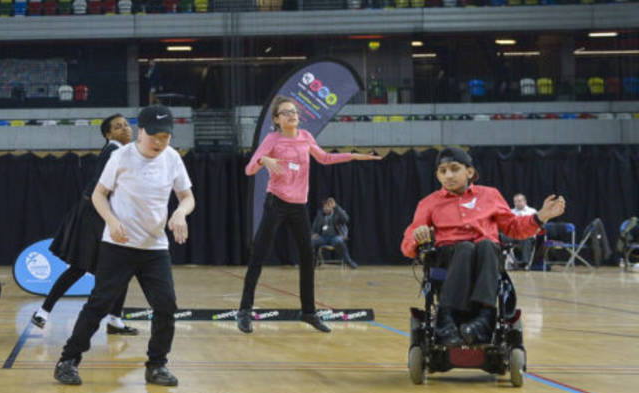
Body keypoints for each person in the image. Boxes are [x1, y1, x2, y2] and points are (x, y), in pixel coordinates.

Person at [53, 105, 195, 387]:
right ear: (140, 131)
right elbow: (98, 195)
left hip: (155, 249)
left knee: (166, 306)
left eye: (165, 136)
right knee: (99, 304)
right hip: (118, 246)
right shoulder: (121, 156)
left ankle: (156, 365)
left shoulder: (172, 159)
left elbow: (187, 197)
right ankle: (68, 360)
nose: (159, 142)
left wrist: (180, 212)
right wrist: (111, 220)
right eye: (154, 135)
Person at [235, 96, 381, 334]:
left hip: (298, 206)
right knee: (259, 255)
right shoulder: (272, 139)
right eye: (286, 112)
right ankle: (244, 311)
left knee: (307, 257)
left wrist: (352, 156)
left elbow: (324, 158)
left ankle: (309, 312)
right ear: (277, 119)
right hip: (276, 203)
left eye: (294, 111)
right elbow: (249, 168)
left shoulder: (306, 137)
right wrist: (263, 159)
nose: (292, 115)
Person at [402, 147, 565, 347]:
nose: (449, 175)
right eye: (443, 171)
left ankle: (484, 321)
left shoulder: (490, 195)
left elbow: (514, 227)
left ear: (469, 172)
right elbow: (408, 242)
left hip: (486, 254)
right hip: (449, 256)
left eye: (454, 169)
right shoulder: (429, 203)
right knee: (465, 248)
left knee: (487, 245)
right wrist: (417, 238)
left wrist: (541, 217)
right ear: (437, 175)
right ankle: (446, 320)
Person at [33, 113, 137, 335]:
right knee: (92, 267)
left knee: (105, 268)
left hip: (99, 214)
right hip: (95, 215)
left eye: (127, 125)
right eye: (118, 127)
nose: (126, 128)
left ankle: (111, 319)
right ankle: (46, 311)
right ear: (108, 134)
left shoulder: (120, 151)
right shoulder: (115, 150)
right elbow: (103, 188)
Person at [310, 197, 358, 269]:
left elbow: (346, 219)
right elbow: (314, 227)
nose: (326, 208)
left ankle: (348, 261)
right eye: (324, 207)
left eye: (328, 206)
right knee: (312, 242)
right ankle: (314, 262)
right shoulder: (320, 215)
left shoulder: (338, 213)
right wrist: (313, 234)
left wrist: (337, 207)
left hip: (336, 236)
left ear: (332, 207)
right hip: (323, 237)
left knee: (338, 241)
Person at [502, 193, 541, 270]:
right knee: (499, 236)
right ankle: (500, 261)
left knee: (525, 238)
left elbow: (538, 226)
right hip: (513, 235)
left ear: (525, 201)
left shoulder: (532, 211)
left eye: (519, 201)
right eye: (515, 201)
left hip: (527, 235)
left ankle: (525, 263)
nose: (517, 203)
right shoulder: (510, 212)